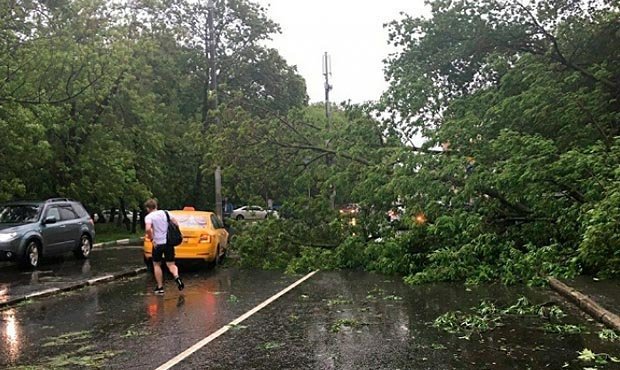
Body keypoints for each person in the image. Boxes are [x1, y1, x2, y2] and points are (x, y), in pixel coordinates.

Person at [144, 198, 184, 295]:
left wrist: (152, 238)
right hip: (169, 243)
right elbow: (175, 223)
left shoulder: (149, 217)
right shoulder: (166, 213)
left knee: (157, 264)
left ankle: (160, 287)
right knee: (171, 264)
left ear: (148, 208)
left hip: (158, 244)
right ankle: (177, 276)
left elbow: (148, 228)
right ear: (156, 206)